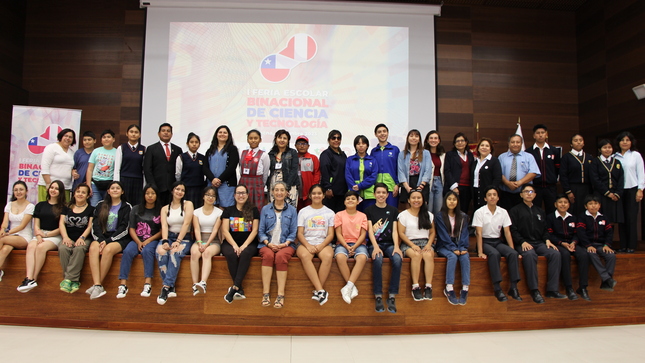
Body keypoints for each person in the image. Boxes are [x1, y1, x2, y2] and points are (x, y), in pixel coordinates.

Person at [509, 184, 564, 304]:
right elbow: (513, 230)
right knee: (529, 255)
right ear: (521, 194)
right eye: (526, 191)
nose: (529, 194)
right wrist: (522, 241)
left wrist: (547, 240)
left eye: (531, 191)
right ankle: (534, 290)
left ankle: (552, 289)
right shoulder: (515, 210)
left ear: (535, 194)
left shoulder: (540, 211)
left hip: (539, 243)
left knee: (555, 254)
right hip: (523, 243)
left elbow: (545, 229)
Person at [473, 186, 521, 302]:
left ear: (498, 197)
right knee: (494, 254)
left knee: (513, 254)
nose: (492, 197)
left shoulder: (503, 212)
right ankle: (497, 288)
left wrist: (512, 249)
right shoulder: (480, 212)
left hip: (497, 241)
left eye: (494, 194)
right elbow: (478, 233)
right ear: (485, 198)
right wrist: (480, 252)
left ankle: (513, 287)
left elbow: (507, 232)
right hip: (484, 241)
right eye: (489, 195)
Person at [17, 180, 66, 292]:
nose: (53, 190)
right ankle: (28, 278)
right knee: (31, 246)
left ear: (61, 192)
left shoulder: (64, 207)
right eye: (52, 187)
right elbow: (36, 224)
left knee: (41, 247)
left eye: (57, 188)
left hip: (54, 235)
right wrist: (39, 236)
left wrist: (47, 234)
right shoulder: (40, 205)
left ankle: (34, 278)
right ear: (48, 189)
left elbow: (61, 227)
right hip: (40, 234)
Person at [86, 181, 132, 299]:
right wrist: (101, 239)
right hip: (102, 236)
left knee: (108, 250)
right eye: (112, 188)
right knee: (93, 247)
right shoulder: (100, 205)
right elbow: (95, 225)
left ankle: (97, 285)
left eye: (118, 188)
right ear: (108, 191)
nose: (115, 190)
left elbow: (125, 228)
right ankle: (97, 285)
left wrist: (108, 241)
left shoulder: (127, 207)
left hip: (119, 237)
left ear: (122, 191)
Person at [116, 184, 162, 298]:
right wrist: (138, 242)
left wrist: (148, 241)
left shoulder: (161, 210)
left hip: (152, 240)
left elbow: (162, 231)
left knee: (147, 252)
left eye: (153, 193)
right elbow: (131, 228)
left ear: (157, 195)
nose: (150, 196)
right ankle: (123, 285)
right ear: (143, 195)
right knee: (127, 251)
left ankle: (147, 283)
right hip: (137, 240)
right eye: (147, 193)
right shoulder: (136, 209)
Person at [258, 182, 298, 308]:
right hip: (267, 244)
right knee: (268, 256)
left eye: (282, 190)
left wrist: (284, 244)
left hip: (286, 245)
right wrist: (268, 244)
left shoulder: (292, 210)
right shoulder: (265, 209)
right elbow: (261, 231)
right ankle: (266, 294)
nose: (279, 193)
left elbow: (293, 232)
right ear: (272, 192)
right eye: (276, 190)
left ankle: (280, 295)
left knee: (281, 257)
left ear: (287, 193)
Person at [365, 183, 402, 313]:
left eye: (383, 193)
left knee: (397, 259)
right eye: (378, 192)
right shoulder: (369, 210)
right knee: (378, 259)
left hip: (390, 244)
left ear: (387, 195)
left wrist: (397, 247)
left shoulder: (393, 210)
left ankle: (392, 296)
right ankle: (378, 296)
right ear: (374, 194)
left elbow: (395, 231)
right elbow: (370, 231)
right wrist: (375, 247)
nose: (381, 195)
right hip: (375, 244)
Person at [546, 194, 591, 301]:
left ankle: (583, 287)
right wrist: (562, 243)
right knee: (565, 255)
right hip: (558, 244)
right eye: (560, 202)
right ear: (555, 204)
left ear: (569, 205)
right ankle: (569, 288)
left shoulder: (573, 218)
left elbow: (577, 233)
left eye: (565, 202)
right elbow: (549, 234)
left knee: (584, 255)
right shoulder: (550, 217)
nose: (563, 204)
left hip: (572, 244)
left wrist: (574, 242)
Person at [156, 181, 194, 305]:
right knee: (161, 252)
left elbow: (187, 223)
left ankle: (165, 287)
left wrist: (178, 241)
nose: (180, 192)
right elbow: (164, 226)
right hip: (169, 236)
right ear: (172, 190)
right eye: (177, 189)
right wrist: (165, 240)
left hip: (184, 237)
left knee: (174, 253)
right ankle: (170, 287)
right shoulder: (164, 208)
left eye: (182, 190)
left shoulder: (188, 204)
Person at [296, 184, 335, 306]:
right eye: (314, 193)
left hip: (322, 243)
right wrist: (308, 245)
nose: (316, 196)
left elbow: (330, 234)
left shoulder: (330, 213)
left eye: (319, 193)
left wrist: (322, 245)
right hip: (306, 242)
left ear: (323, 195)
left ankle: (319, 291)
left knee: (328, 256)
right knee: (305, 256)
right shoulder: (303, 211)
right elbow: (300, 233)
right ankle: (320, 290)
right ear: (309, 196)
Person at [220, 184, 260, 303]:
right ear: (234, 195)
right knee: (231, 254)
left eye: (243, 193)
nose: (241, 195)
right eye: (238, 193)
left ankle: (235, 288)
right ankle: (239, 288)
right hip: (230, 243)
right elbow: (225, 230)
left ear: (247, 195)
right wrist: (235, 245)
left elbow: (255, 230)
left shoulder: (254, 210)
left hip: (249, 243)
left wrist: (244, 245)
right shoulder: (228, 210)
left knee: (245, 254)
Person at [398, 189, 436, 301]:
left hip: (425, 242)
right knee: (416, 255)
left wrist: (429, 244)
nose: (416, 200)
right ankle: (415, 287)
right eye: (413, 198)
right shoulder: (403, 215)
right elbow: (401, 233)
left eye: (419, 198)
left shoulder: (428, 215)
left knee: (428, 255)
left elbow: (432, 232)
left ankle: (428, 287)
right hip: (409, 243)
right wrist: (412, 245)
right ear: (409, 200)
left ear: (423, 200)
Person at [434, 191, 471, 305]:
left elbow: (464, 233)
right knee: (452, 256)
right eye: (449, 199)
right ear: (445, 201)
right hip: (444, 245)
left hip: (459, 243)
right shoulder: (439, 216)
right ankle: (449, 288)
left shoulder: (463, 216)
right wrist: (452, 248)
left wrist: (462, 247)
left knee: (465, 256)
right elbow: (443, 235)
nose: (452, 201)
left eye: (454, 199)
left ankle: (465, 288)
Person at [58, 183, 94, 293]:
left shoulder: (92, 209)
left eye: (83, 192)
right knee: (63, 248)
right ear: (74, 194)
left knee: (79, 248)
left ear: (88, 195)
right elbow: (61, 223)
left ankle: (68, 279)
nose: (80, 194)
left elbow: (90, 226)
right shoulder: (66, 207)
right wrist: (65, 237)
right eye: (78, 192)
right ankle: (73, 281)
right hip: (68, 237)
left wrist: (82, 238)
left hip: (85, 238)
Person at [576, 194, 617, 291]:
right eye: (590, 204)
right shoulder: (582, 217)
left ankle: (606, 281)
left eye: (596, 203)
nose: (593, 206)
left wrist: (607, 245)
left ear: (599, 206)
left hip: (601, 245)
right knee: (592, 253)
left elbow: (609, 233)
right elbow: (581, 233)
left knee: (611, 255)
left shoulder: (603, 218)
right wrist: (588, 245)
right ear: (586, 206)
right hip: (587, 245)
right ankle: (607, 279)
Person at [335, 191, 369, 304]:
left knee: (362, 257)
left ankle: (348, 286)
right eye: (348, 198)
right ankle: (351, 287)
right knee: (340, 257)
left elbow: (363, 234)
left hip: (358, 244)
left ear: (358, 201)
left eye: (353, 199)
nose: (350, 200)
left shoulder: (363, 216)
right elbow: (338, 233)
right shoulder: (339, 215)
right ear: (344, 202)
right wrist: (346, 245)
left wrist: (354, 246)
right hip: (342, 243)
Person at [613, 131, 644, 253]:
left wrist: (640, 189)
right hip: (619, 191)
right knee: (622, 218)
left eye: (627, 140)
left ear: (631, 142)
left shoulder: (635, 155)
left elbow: (641, 173)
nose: (625, 142)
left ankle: (631, 245)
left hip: (632, 189)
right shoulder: (614, 156)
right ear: (618, 142)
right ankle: (623, 245)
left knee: (631, 218)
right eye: (622, 140)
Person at [190, 186, 223, 295]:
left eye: (213, 196)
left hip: (213, 241)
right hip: (200, 239)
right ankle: (195, 285)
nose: (210, 198)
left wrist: (206, 244)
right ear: (203, 197)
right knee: (194, 253)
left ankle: (203, 282)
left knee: (207, 253)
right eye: (208, 195)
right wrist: (200, 243)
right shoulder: (196, 212)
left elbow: (215, 230)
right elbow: (196, 229)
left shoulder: (219, 212)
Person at [0, 182, 34, 280]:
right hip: (10, 236)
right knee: (5, 249)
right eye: (16, 190)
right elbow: (5, 222)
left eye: (21, 189)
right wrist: (2, 230)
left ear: (26, 191)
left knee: (2, 239)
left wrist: (7, 233)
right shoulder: (9, 204)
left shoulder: (30, 206)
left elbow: (22, 226)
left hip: (23, 237)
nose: (18, 192)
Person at [143, 123, 183, 205]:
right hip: (157, 187)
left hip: (173, 188)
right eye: (163, 131)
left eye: (168, 131)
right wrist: (152, 186)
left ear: (171, 134)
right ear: (158, 133)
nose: (166, 133)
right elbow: (147, 169)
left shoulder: (178, 149)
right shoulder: (151, 149)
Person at [499, 134, 540, 211]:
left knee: (523, 217)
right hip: (505, 194)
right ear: (508, 143)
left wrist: (519, 182)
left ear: (521, 144)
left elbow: (533, 172)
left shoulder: (529, 157)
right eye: (512, 142)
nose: (515, 144)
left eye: (518, 142)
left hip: (524, 194)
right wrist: (508, 183)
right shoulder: (502, 157)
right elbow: (498, 173)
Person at [526, 124, 561, 214]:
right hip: (535, 187)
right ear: (534, 135)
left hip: (551, 187)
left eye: (542, 133)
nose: (540, 135)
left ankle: (550, 228)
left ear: (546, 134)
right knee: (535, 211)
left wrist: (552, 178)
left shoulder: (554, 150)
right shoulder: (528, 152)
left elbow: (557, 168)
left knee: (552, 211)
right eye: (538, 133)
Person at [589, 139, 624, 226]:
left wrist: (617, 193)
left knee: (611, 221)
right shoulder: (595, 162)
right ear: (600, 150)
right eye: (605, 147)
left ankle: (610, 239)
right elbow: (595, 179)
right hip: (601, 195)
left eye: (609, 147)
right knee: (601, 220)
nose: (607, 149)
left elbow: (621, 179)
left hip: (614, 196)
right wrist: (607, 193)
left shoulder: (616, 162)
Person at [204, 125, 239, 208]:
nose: (222, 134)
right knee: (212, 207)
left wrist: (219, 180)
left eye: (225, 133)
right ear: (216, 134)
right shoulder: (210, 150)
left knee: (225, 209)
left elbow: (232, 167)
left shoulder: (232, 149)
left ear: (228, 135)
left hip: (226, 185)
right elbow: (205, 167)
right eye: (220, 132)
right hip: (211, 184)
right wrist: (213, 179)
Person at [559, 134, 593, 217]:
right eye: (576, 140)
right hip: (573, 188)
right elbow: (563, 175)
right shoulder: (566, 157)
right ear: (571, 144)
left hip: (586, 188)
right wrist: (568, 191)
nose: (578, 142)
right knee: (573, 210)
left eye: (580, 140)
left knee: (585, 211)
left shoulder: (589, 157)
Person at [38, 128, 76, 201]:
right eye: (66, 136)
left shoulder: (72, 152)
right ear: (61, 136)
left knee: (63, 210)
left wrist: (73, 172)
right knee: (46, 209)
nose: (68, 138)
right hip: (50, 186)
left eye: (70, 137)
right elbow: (45, 167)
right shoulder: (51, 148)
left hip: (65, 187)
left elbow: (69, 167)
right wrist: (49, 184)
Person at [114, 124, 146, 207]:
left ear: (140, 135)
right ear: (127, 134)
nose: (133, 134)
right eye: (131, 132)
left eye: (136, 132)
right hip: (124, 180)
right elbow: (117, 168)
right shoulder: (121, 148)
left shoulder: (143, 149)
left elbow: (144, 169)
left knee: (137, 205)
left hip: (138, 181)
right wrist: (117, 184)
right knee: (124, 204)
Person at [345, 135, 379, 212]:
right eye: (358, 143)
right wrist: (354, 187)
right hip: (354, 194)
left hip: (369, 195)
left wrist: (360, 186)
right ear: (355, 146)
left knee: (368, 217)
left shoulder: (372, 160)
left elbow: (373, 176)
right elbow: (348, 175)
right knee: (354, 216)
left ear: (367, 145)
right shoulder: (350, 159)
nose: (361, 145)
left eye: (363, 143)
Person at [443, 133, 474, 215]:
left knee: (464, 211)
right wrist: (454, 186)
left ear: (466, 142)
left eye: (462, 140)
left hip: (467, 187)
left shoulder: (470, 155)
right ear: (454, 143)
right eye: (457, 141)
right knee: (453, 211)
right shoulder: (450, 155)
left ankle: (462, 227)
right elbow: (447, 170)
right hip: (455, 187)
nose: (460, 143)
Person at [398, 129, 431, 205]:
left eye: (416, 136)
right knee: (408, 209)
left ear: (419, 139)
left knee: (422, 209)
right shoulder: (402, 154)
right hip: (407, 183)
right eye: (411, 136)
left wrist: (421, 186)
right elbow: (400, 171)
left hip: (421, 183)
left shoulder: (426, 153)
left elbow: (428, 170)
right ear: (408, 138)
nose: (414, 138)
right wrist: (407, 187)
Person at [239, 129, 270, 209]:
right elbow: (240, 170)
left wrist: (261, 184)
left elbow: (265, 172)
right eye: (251, 138)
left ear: (260, 140)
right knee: (243, 205)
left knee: (257, 207)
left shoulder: (264, 155)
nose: (253, 140)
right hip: (244, 182)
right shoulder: (242, 152)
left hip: (257, 183)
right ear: (247, 140)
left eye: (255, 138)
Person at [267, 129, 299, 207]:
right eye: (280, 137)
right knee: (274, 207)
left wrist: (287, 187)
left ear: (288, 141)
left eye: (285, 138)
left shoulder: (292, 152)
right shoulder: (271, 154)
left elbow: (294, 170)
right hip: (274, 184)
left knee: (289, 208)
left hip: (290, 184)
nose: (282, 140)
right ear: (275, 139)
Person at [371, 124, 400, 207]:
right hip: (377, 188)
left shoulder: (395, 149)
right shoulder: (374, 151)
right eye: (379, 132)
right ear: (376, 134)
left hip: (391, 187)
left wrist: (397, 184)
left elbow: (399, 168)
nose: (382, 134)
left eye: (384, 131)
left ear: (387, 133)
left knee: (391, 211)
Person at [86, 129, 117, 206]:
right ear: (101, 140)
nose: (106, 139)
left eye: (108, 137)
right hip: (95, 184)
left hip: (109, 185)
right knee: (94, 206)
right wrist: (88, 185)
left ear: (113, 139)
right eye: (104, 137)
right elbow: (90, 169)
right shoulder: (96, 151)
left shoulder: (117, 152)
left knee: (107, 207)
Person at [176, 132, 207, 208]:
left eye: (196, 142)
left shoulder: (202, 158)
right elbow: (178, 174)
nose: (194, 144)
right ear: (187, 144)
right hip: (186, 188)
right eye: (191, 142)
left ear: (199, 144)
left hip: (199, 189)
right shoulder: (181, 157)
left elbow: (205, 173)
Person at [320, 130, 347, 212]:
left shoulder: (343, 154)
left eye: (338, 138)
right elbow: (324, 171)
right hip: (331, 193)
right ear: (329, 140)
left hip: (342, 192)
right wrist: (328, 188)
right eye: (333, 138)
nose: (336, 140)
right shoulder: (326, 154)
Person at [471, 137, 502, 210]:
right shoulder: (475, 162)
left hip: (488, 194)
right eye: (482, 145)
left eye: (487, 146)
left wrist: (492, 192)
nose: (484, 147)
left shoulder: (494, 161)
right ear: (478, 148)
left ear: (490, 149)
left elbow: (497, 178)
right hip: (476, 193)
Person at [295, 135, 320, 210]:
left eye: (304, 144)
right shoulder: (292, 158)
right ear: (295, 146)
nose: (302, 146)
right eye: (299, 144)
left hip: (309, 194)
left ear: (308, 146)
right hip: (296, 194)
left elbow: (317, 174)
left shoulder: (313, 158)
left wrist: (313, 190)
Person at [423, 130, 445, 216]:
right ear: (427, 140)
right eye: (431, 138)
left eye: (436, 138)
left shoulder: (443, 155)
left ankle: (437, 229)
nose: (433, 140)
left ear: (439, 140)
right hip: (428, 183)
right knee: (428, 209)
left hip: (439, 183)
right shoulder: (423, 154)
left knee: (438, 209)